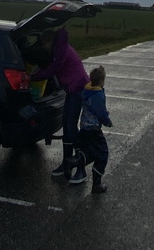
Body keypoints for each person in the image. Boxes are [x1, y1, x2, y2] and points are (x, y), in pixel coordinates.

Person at [31, 27, 88, 181]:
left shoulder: (61, 50)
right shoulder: (59, 48)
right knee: (66, 125)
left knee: (70, 127)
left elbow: (52, 69)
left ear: (50, 41)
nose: (44, 47)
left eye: (45, 44)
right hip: (72, 89)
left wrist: (32, 77)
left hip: (78, 88)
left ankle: (81, 168)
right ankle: (66, 164)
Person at [77, 65, 112, 193]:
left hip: (85, 127)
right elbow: (101, 112)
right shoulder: (97, 95)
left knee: (91, 150)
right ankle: (96, 184)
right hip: (93, 129)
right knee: (103, 153)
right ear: (102, 81)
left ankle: (78, 160)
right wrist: (107, 121)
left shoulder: (87, 91)